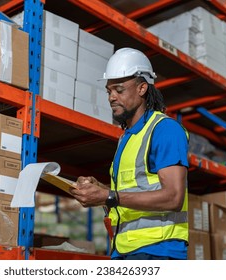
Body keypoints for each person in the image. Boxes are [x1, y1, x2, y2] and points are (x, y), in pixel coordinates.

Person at [70, 48, 189, 260]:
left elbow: (174, 197)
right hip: (124, 249)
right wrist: (101, 189)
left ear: (142, 88)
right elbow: (133, 191)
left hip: (157, 251)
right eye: (109, 91)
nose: (111, 97)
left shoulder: (165, 130)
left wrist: (108, 196)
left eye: (119, 90)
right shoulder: (127, 137)